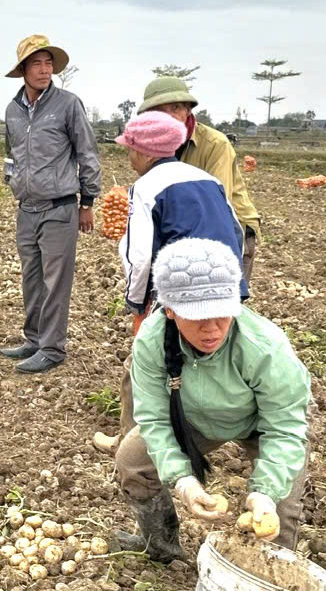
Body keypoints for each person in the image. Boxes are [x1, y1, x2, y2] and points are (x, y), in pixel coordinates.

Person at [116, 238, 312, 559]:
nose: (212, 329)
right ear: (170, 311)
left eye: (222, 314)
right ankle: (162, 548)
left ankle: (265, 580)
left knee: (279, 508)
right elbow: (153, 418)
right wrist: (184, 482)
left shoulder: (265, 346)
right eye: (197, 317)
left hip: (264, 425)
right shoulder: (151, 341)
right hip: (192, 417)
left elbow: (285, 426)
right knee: (133, 461)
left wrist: (264, 494)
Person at [93, 112, 246, 454]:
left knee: (143, 360)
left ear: (145, 153)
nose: (129, 156)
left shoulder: (146, 188)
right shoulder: (207, 180)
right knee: (212, 359)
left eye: (130, 149)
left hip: (178, 291)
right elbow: (236, 231)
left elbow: (140, 257)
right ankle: (222, 429)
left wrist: (136, 302)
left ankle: (130, 442)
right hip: (224, 290)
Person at [1, 34, 102, 374]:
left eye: (48, 63)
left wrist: (87, 201)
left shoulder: (68, 104)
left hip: (60, 208)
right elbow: (10, 154)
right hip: (26, 208)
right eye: (36, 64)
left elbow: (87, 153)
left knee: (55, 280)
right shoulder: (12, 111)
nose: (44, 70)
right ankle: (33, 339)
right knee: (31, 277)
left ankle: (52, 348)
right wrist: (12, 180)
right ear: (23, 70)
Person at [137, 77, 262, 283]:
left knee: (219, 306)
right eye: (159, 111)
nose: (168, 117)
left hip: (228, 232)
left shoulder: (215, 144)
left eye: (175, 108)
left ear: (188, 111)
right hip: (181, 231)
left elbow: (216, 207)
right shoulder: (151, 147)